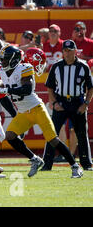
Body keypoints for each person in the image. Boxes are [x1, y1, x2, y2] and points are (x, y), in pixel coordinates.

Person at [0, 45, 83, 178]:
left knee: (53, 140)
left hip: (36, 109)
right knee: (10, 136)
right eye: (2, 59)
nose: (2, 62)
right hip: (23, 113)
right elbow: (3, 93)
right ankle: (34, 159)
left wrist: (5, 90)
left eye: (5, 59)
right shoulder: (4, 73)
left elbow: (27, 89)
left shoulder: (25, 68)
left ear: (13, 60)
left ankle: (75, 166)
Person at [43, 39, 93, 172]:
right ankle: (47, 164)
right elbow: (50, 87)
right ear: (62, 52)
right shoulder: (56, 66)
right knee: (52, 134)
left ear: (75, 51)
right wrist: (54, 103)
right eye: (65, 50)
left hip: (78, 103)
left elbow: (90, 88)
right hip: (61, 102)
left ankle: (86, 164)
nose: (67, 53)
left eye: (70, 50)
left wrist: (86, 104)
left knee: (81, 134)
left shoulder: (83, 66)